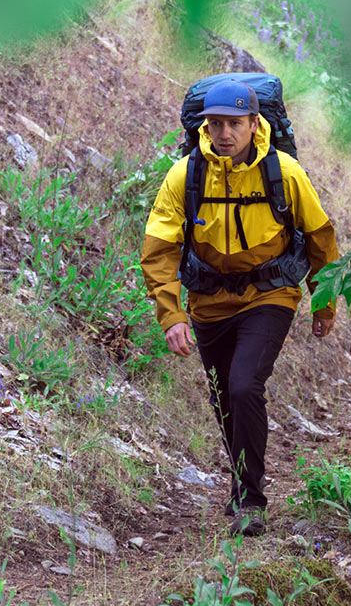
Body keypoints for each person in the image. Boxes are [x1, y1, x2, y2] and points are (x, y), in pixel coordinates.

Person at [140, 79, 339, 537]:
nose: (224, 133)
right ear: (204, 127)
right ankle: (242, 480)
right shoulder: (185, 174)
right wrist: (171, 315)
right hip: (208, 301)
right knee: (224, 398)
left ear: (255, 123)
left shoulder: (283, 171)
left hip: (269, 294)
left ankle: (251, 499)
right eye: (215, 125)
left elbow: (320, 238)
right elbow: (158, 249)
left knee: (245, 384)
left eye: (234, 124)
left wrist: (323, 303)